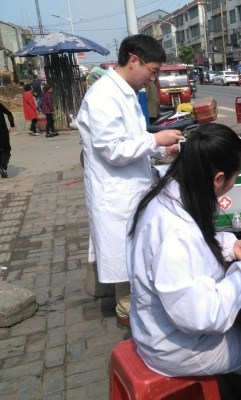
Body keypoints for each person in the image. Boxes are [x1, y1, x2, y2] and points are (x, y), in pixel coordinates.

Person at [126, 123, 241, 398]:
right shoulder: (173, 231)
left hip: (163, 326)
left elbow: (197, 239)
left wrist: (231, 245)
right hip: (178, 346)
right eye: (234, 179)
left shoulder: (167, 194)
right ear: (218, 178)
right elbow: (203, 316)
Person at [77, 34, 183, 327]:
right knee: (122, 256)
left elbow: (133, 140)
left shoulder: (125, 92)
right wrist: (155, 140)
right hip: (115, 192)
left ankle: (137, 309)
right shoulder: (103, 95)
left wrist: (163, 150)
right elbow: (112, 149)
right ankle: (129, 315)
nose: (153, 79)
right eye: (153, 71)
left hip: (131, 185)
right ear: (134, 60)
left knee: (133, 251)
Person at [0, 102, 15, 178]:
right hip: (3, 132)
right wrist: (11, 125)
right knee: (6, 149)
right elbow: (9, 113)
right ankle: (3, 167)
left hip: (3, 132)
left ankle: (1, 167)